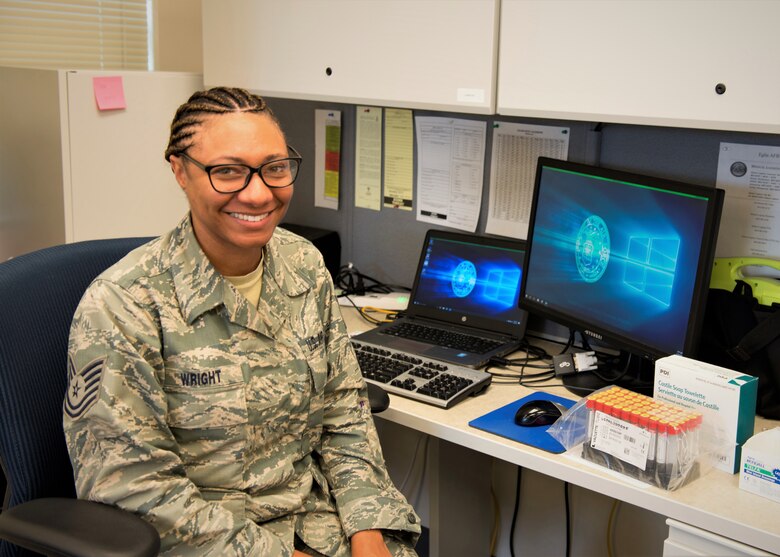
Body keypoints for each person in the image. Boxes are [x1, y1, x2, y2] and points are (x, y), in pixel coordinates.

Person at [63, 86, 420, 556]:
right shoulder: (123, 305)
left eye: (274, 169)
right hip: (202, 543)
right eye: (227, 172)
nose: (257, 194)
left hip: (317, 525)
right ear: (180, 171)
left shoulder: (304, 266)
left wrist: (368, 534)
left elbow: (344, 413)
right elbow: (133, 490)